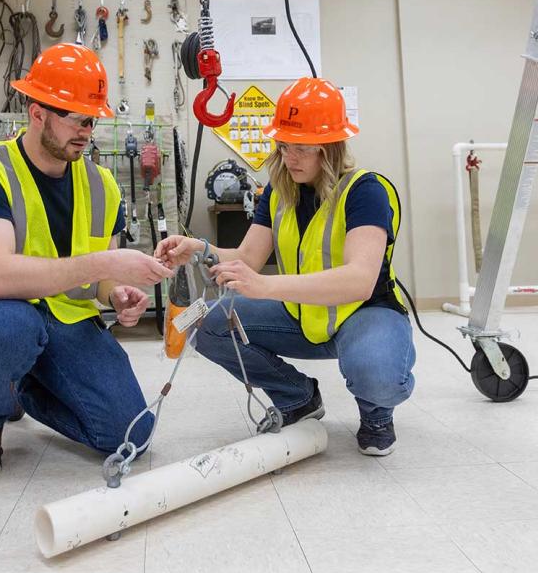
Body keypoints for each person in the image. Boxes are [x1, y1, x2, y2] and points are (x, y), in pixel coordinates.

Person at [0, 43, 174, 481]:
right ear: (37, 112)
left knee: (132, 436)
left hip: (63, 316)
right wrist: (102, 262)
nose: (85, 131)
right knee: (7, 329)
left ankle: (20, 387)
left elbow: (100, 279)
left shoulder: (102, 185)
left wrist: (116, 293)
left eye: (91, 120)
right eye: (73, 117)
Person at [156, 77, 413, 455]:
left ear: (331, 147)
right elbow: (247, 259)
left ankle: (376, 411)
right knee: (204, 324)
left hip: (366, 313)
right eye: (284, 146)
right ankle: (298, 396)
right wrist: (199, 247)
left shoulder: (365, 191)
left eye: (302, 149)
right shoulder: (279, 190)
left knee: (377, 374)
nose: (290, 157)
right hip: (302, 312)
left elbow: (360, 280)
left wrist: (266, 287)